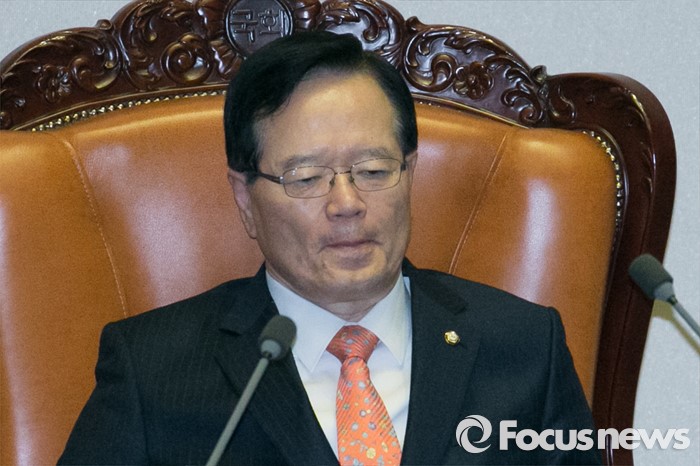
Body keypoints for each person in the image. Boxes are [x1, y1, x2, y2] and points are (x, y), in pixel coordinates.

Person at [59, 31, 602, 465]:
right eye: (307, 178)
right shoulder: (152, 370)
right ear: (245, 199)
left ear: (409, 174)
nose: (347, 203)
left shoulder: (525, 346)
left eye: (373, 170)